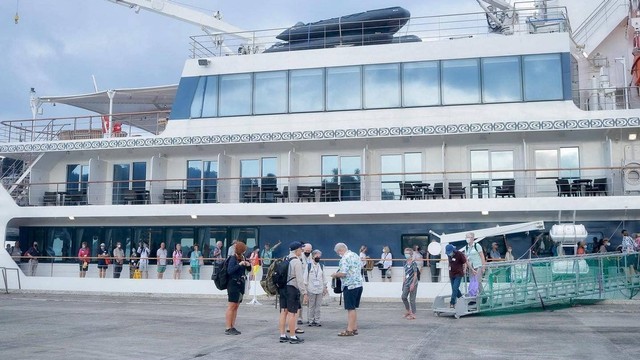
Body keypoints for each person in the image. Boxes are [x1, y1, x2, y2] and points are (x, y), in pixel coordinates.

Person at [331, 242, 363, 337]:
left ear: (340, 250)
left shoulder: (344, 258)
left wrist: (335, 274)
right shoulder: (355, 255)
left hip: (350, 286)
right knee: (353, 307)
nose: (339, 254)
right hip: (358, 284)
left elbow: (343, 273)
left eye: (338, 253)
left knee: (350, 308)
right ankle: (354, 328)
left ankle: (349, 330)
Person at [278, 241, 307, 344]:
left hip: (283, 288)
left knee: (283, 312)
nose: (302, 251)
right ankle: (293, 336)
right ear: (297, 250)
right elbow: (299, 279)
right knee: (292, 313)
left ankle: (282, 335)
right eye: (301, 249)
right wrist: (304, 292)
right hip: (292, 288)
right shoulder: (296, 261)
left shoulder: (285, 258)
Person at [225, 241, 251, 335]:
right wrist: (239, 264)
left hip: (241, 283)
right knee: (231, 305)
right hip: (233, 284)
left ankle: (232, 326)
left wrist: (248, 265)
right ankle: (228, 327)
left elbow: (247, 270)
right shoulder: (233, 258)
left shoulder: (242, 258)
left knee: (236, 306)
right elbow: (230, 271)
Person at [305, 249, 327, 326]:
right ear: (313, 256)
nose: (318, 258)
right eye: (317, 256)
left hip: (320, 289)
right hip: (311, 289)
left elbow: (324, 278)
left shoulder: (321, 266)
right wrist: (305, 290)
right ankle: (310, 320)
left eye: (319, 256)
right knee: (311, 306)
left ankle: (317, 320)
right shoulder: (308, 266)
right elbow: (305, 279)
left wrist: (325, 288)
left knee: (318, 306)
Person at [446, 244, 471, 308]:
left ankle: (452, 302)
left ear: (453, 250)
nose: (449, 254)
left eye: (450, 252)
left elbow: (465, 262)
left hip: (458, 274)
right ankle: (462, 299)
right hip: (451, 274)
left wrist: (465, 269)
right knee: (455, 289)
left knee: (455, 288)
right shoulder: (449, 255)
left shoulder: (459, 254)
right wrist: (448, 267)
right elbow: (449, 263)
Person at [297, 242, 313, 325]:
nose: (308, 252)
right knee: (300, 301)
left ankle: (310, 318)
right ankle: (299, 317)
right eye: (306, 250)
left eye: (309, 250)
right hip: (301, 283)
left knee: (310, 302)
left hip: (310, 283)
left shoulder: (312, 257)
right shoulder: (299, 257)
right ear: (303, 249)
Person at [401, 248, 419, 320]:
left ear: (411, 254)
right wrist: (403, 282)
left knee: (412, 299)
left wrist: (413, 284)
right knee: (403, 297)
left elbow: (415, 274)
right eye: (405, 253)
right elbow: (405, 273)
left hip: (413, 282)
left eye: (407, 253)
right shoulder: (405, 262)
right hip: (407, 282)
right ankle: (408, 310)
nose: (406, 255)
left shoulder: (414, 263)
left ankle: (413, 314)